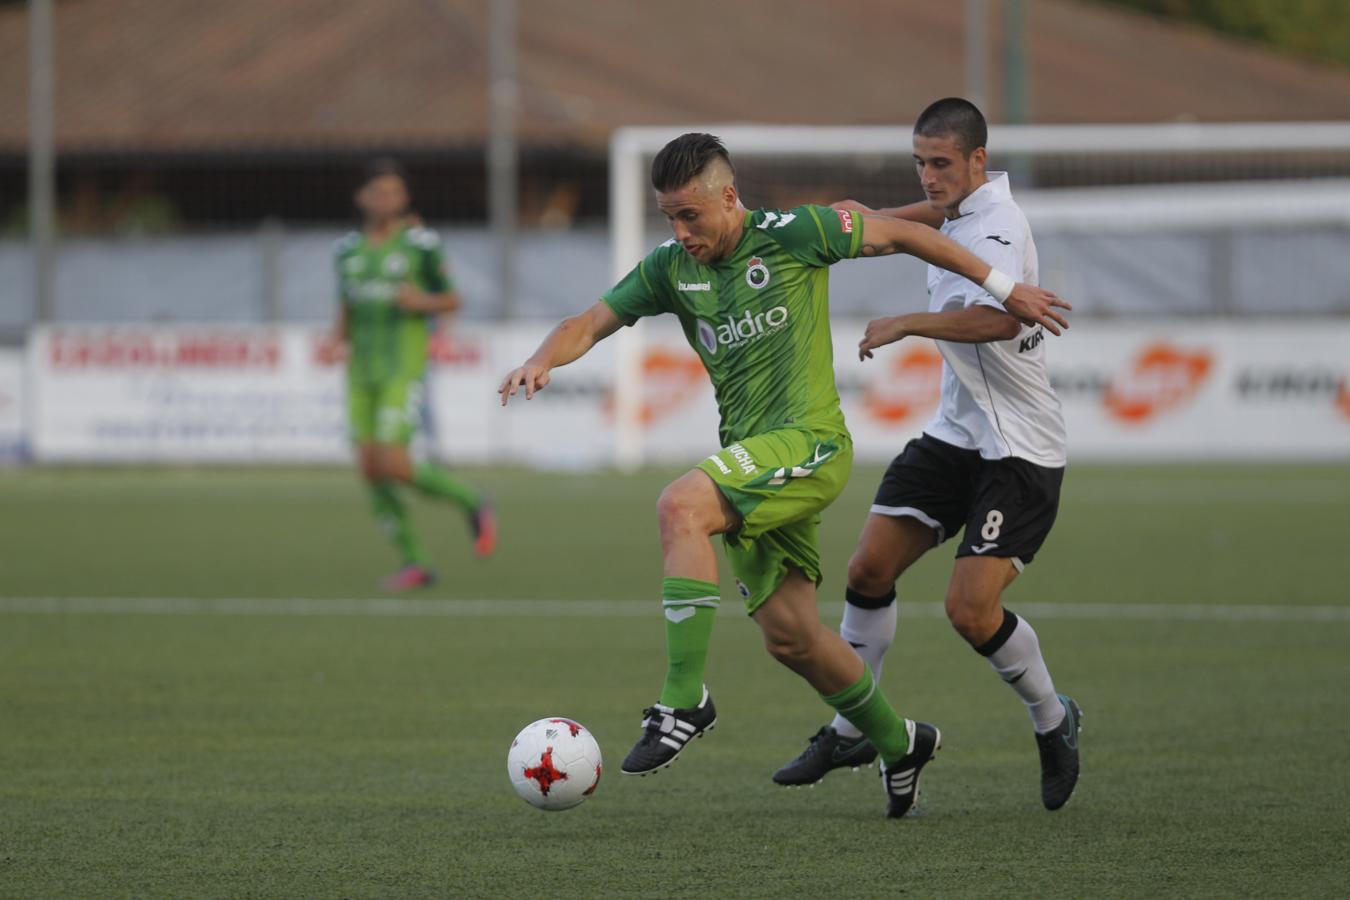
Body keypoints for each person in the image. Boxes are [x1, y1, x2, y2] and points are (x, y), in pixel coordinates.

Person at [499, 133, 1068, 817]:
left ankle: (684, 702)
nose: (681, 233)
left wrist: (1006, 288)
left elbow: (909, 237)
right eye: (669, 219)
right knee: (791, 637)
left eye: (691, 216)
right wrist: (543, 358)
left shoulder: (797, 233)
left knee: (680, 507)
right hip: (753, 463)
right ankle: (900, 743)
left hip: (810, 444)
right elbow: (588, 321)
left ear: (730, 197)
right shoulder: (667, 271)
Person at [771, 98, 1082, 812]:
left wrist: (908, 321)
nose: (929, 174)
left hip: (1018, 450)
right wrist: (871, 214)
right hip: (955, 435)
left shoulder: (1001, 224)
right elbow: (934, 223)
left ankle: (1053, 718)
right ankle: (854, 726)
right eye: (920, 161)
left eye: (940, 163)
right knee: (868, 568)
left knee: (971, 612)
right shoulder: (963, 208)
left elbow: (1001, 316)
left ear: (978, 160)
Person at [326, 159, 497, 591]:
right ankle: (415, 561)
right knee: (369, 468)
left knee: (395, 464)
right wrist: (335, 339)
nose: (388, 200)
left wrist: (421, 302)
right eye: (378, 192)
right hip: (360, 370)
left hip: (402, 367)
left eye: (395, 193)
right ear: (361, 197)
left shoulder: (420, 244)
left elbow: (452, 299)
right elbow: (346, 304)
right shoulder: (347, 250)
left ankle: (471, 500)